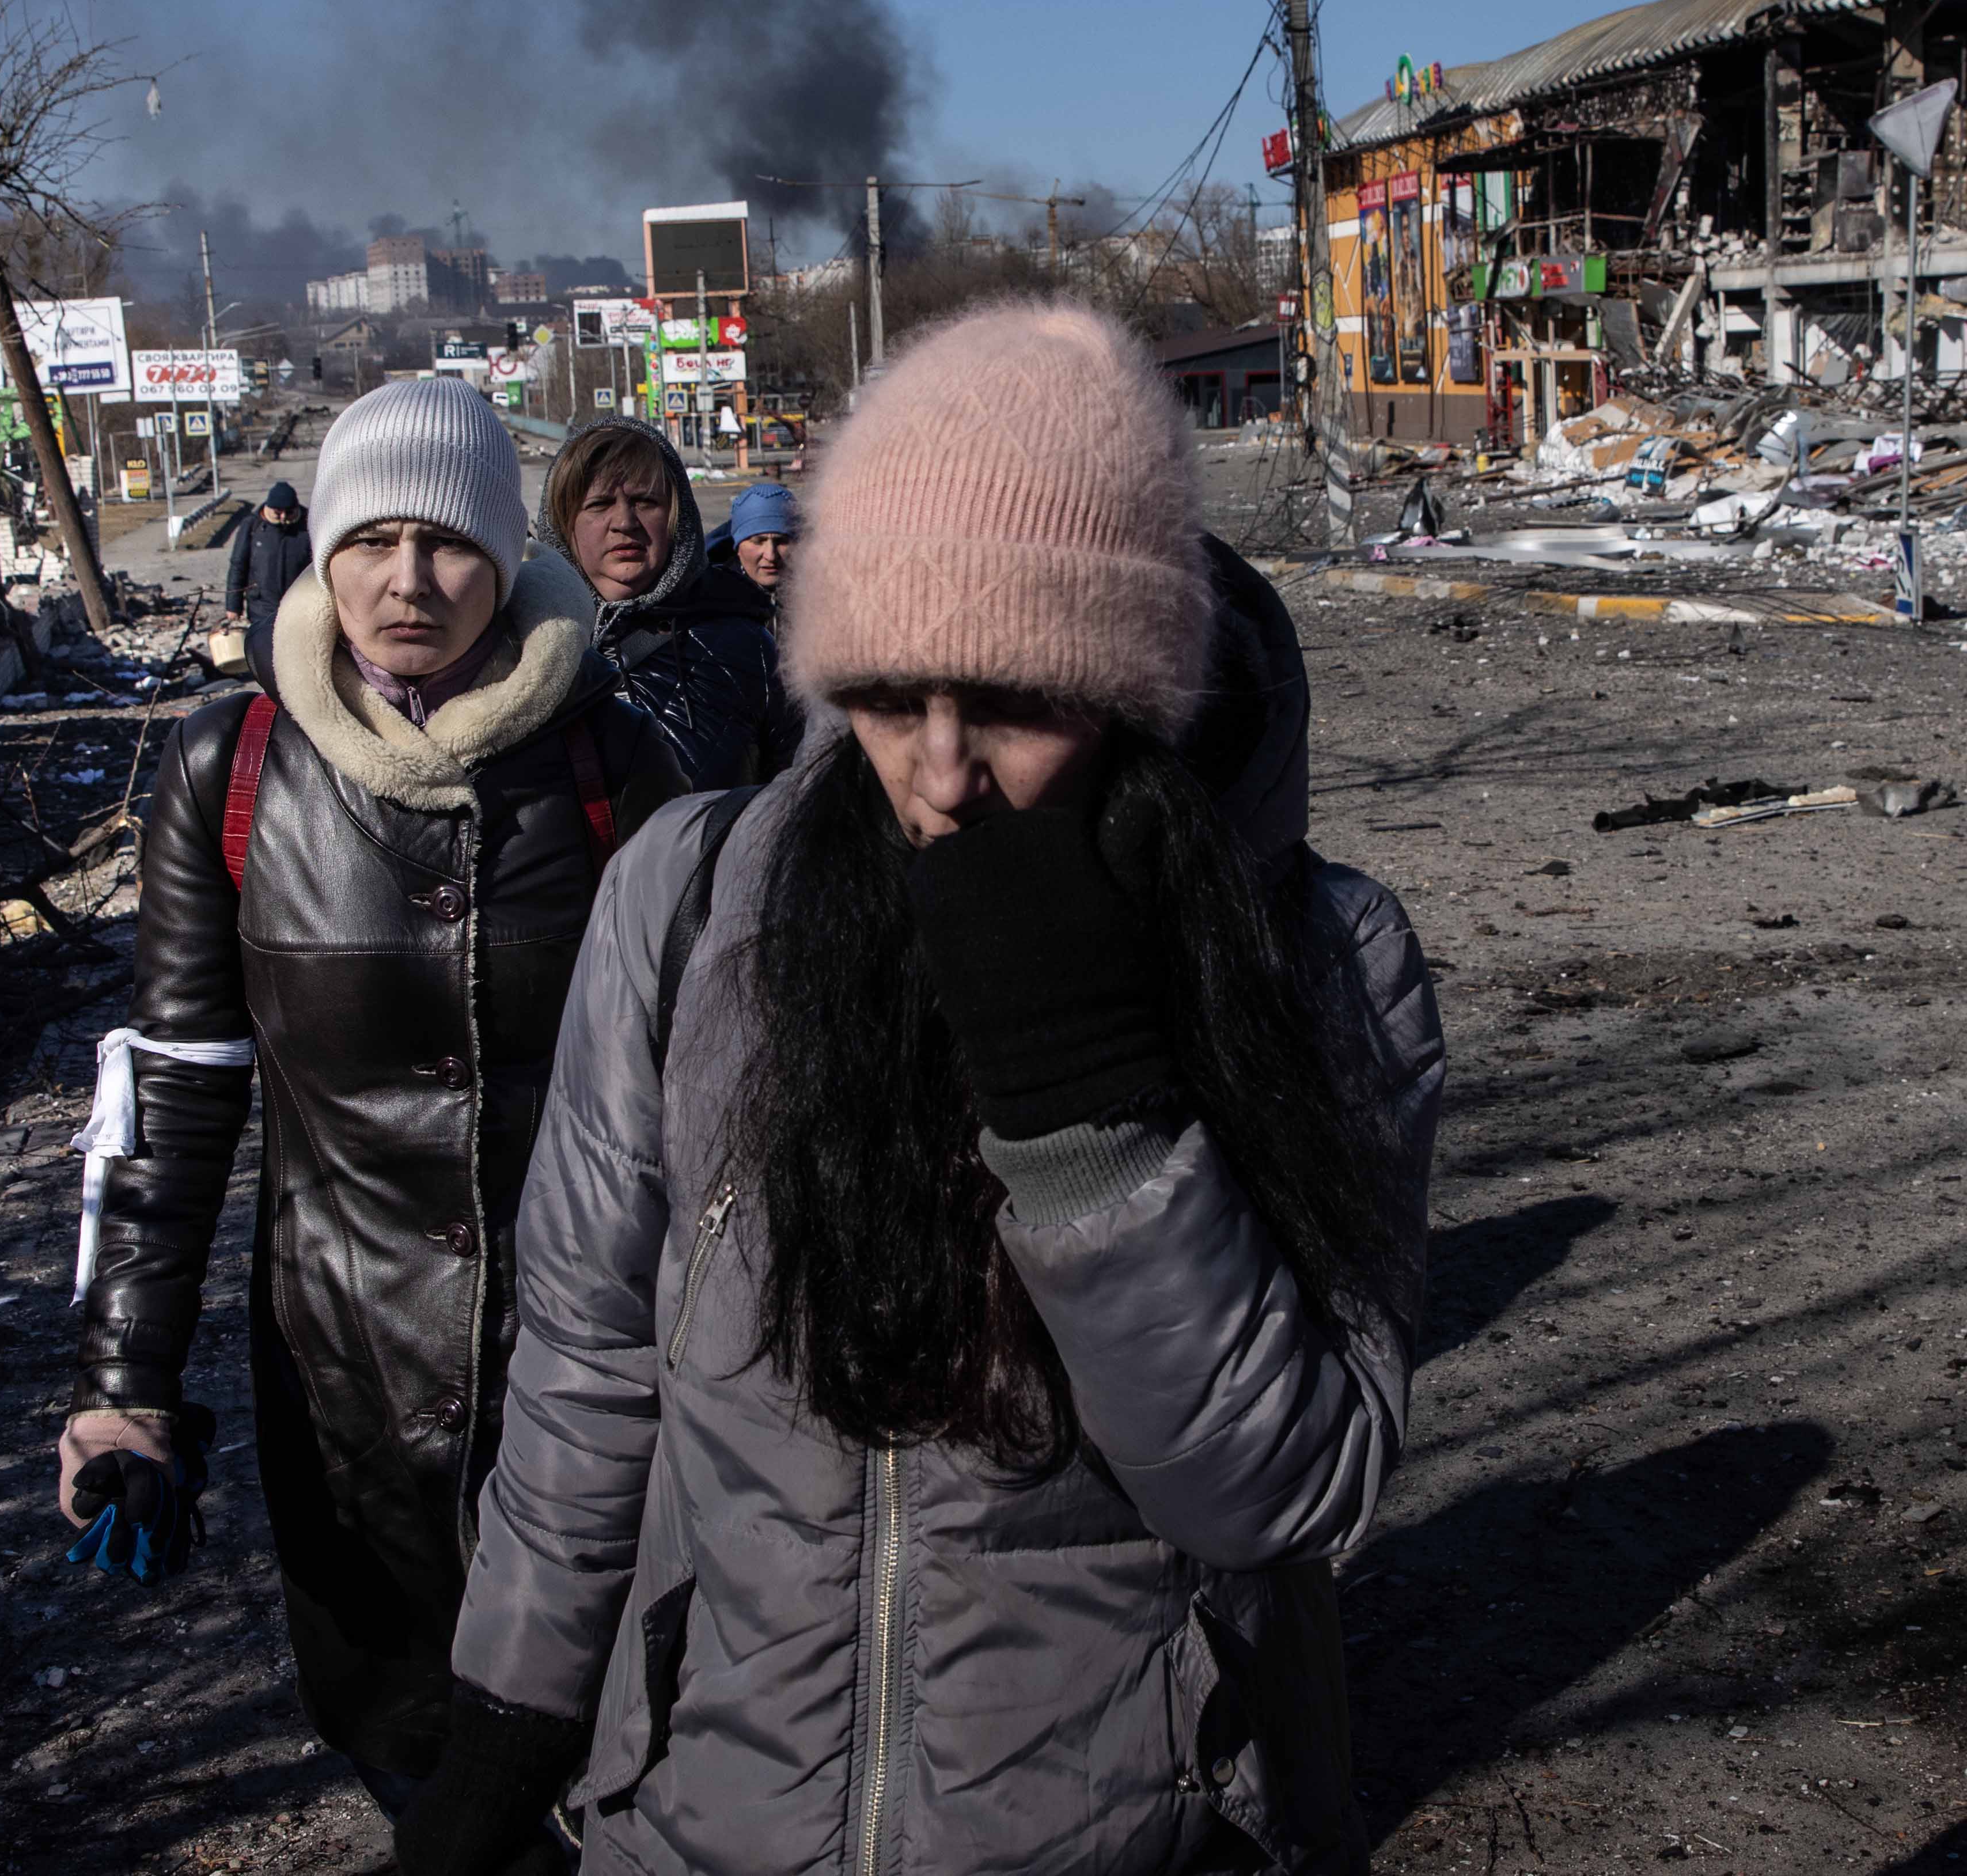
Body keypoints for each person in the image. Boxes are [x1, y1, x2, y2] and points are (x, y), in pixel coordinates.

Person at [397, 302, 1446, 1875]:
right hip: (711, 1821)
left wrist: (1087, 1124)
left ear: (1135, 690)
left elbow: (1280, 1488)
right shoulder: (694, 901)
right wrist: (501, 1731)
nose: (937, 769)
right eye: (888, 693)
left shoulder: (1310, 956)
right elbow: (589, 1367)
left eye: (1015, 698)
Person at [62, 377, 684, 1832]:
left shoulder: (609, 764)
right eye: (371, 540)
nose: (408, 582)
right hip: (346, 1395)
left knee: (616, 1755)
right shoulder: (234, 767)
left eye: (451, 543)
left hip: (591, 1380)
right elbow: (177, 1088)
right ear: (323, 550)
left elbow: (709, 1078)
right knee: (413, 1751)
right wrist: (121, 1391)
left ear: (507, 556)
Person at [541, 416, 798, 792]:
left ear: (677, 517)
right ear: (564, 523)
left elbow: (797, 803)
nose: (625, 522)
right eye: (599, 504)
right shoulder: (519, 650)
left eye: (646, 501)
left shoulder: (750, 649)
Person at [222, 477, 310, 643]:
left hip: (300, 607)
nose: (284, 517)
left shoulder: (308, 524)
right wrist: (233, 606)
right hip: (261, 608)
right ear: (268, 508)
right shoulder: (252, 526)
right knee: (265, 656)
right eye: (278, 513)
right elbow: (238, 566)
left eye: (289, 512)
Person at [714, 482, 794, 597]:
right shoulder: (715, 600)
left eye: (781, 541)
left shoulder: (820, 592)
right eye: (758, 541)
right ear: (737, 548)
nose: (771, 556)